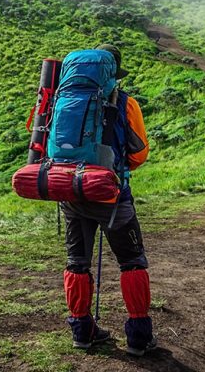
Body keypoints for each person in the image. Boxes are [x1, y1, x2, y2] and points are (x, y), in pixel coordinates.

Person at [60, 44, 156, 356]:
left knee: (77, 263)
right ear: (113, 72)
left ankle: (82, 332)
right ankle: (138, 339)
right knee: (132, 262)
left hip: (70, 190)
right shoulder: (126, 103)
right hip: (111, 195)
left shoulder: (64, 98)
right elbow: (139, 153)